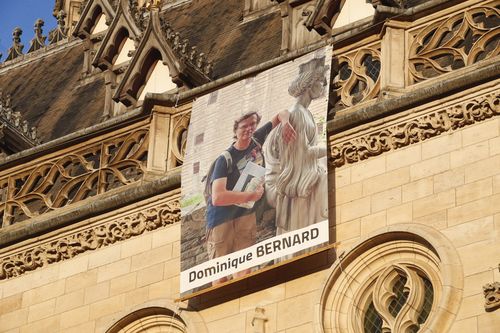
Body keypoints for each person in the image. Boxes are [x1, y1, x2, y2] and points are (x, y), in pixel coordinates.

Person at [206, 110, 295, 283]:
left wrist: (285, 123)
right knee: (220, 275)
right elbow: (218, 197)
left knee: (245, 268)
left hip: (246, 216)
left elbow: (281, 114)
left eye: (253, 124)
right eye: (244, 126)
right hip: (221, 221)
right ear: (235, 130)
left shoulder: (256, 140)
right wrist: (251, 195)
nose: (249, 128)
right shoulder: (225, 159)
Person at [263, 56, 329, 237]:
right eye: (320, 82)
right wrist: (330, 147)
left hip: (305, 177)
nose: (323, 86)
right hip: (298, 187)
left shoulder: (305, 113)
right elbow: (302, 154)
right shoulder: (298, 114)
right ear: (309, 85)